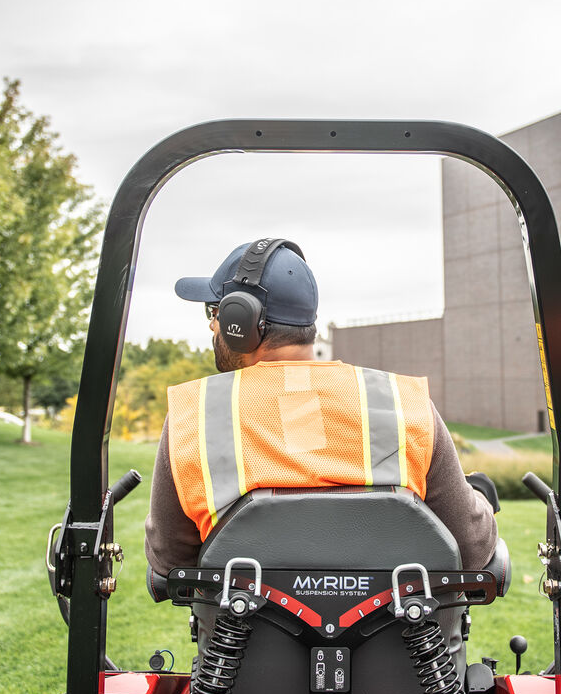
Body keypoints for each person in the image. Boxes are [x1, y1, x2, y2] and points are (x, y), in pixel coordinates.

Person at [144, 239, 498, 589]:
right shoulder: (404, 403)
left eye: (214, 312)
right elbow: (472, 549)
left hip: (242, 643)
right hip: (397, 642)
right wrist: (477, 499)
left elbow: (169, 559)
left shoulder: (195, 415)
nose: (211, 326)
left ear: (240, 320)